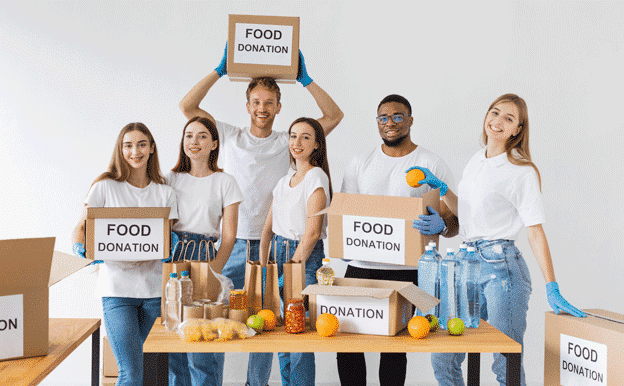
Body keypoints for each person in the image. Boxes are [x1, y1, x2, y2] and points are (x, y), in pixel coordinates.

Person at [179, 45, 343, 386]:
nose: (262, 109)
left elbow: (333, 116)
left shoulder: (290, 141)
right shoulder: (228, 136)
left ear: (279, 107)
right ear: (247, 105)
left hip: (274, 248)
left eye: (269, 103)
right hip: (232, 244)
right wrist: (219, 70)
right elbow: (188, 107)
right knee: (215, 318)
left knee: (267, 324)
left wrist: (306, 80)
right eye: (256, 102)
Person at [415, 94, 585, 386]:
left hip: (502, 270)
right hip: (468, 264)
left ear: (518, 130)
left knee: (504, 361)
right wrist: (443, 190)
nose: (498, 122)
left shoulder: (522, 171)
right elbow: (467, 216)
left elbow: (534, 231)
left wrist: (552, 285)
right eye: (495, 113)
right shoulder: (475, 161)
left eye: (509, 119)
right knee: (444, 354)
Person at [337, 94, 459, 386]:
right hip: (361, 265)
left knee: (394, 347)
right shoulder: (360, 162)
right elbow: (345, 213)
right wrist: (341, 243)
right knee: (348, 340)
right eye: (383, 118)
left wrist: (442, 225)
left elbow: (454, 225)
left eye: (397, 117)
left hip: (406, 270)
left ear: (410, 120)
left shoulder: (430, 163)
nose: (389, 123)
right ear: (377, 122)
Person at [72, 123, 178, 386]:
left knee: (149, 371)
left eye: (142, 144)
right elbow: (82, 226)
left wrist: (169, 247)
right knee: (130, 372)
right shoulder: (105, 187)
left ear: (152, 148)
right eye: (128, 145)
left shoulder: (164, 192)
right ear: (120, 150)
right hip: (117, 289)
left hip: (154, 292)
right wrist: (82, 247)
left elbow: (167, 236)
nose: (135, 151)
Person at [166, 116, 243, 386]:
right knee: (174, 341)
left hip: (205, 254)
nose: (194, 141)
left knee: (202, 342)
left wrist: (213, 271)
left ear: (214, 144)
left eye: (201, 136)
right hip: (174, 256)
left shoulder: (225, 181)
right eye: (188, 135)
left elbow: (230, 236)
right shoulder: (169, 179)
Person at [258, 117, 332, 386]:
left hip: (303, 257)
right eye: (293, 136)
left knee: (299, 330)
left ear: (316, 145)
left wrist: (291, 268)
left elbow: (313, 232)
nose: (297, 142)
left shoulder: (316, 177)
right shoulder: (284, 181)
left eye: (305, 137)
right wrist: (263, 266)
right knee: (282, 329)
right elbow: (268, 227)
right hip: (279, 253)